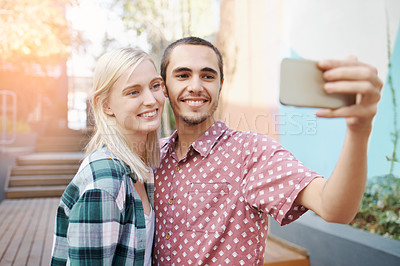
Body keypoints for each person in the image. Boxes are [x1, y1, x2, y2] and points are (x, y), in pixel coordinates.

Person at [153, 37, 382, 265]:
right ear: (163, 86)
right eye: (182, 75)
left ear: (220, 84)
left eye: (207, 76)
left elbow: (332, 207)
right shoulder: (154, 156)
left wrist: (359, 129)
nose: (195, 86)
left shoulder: (250, 152)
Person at [51, 48, 165, 265]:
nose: (151, 100)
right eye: (133, 92)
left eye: (155, 86)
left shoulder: (143, 168)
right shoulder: (106, 181)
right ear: (106, 105)